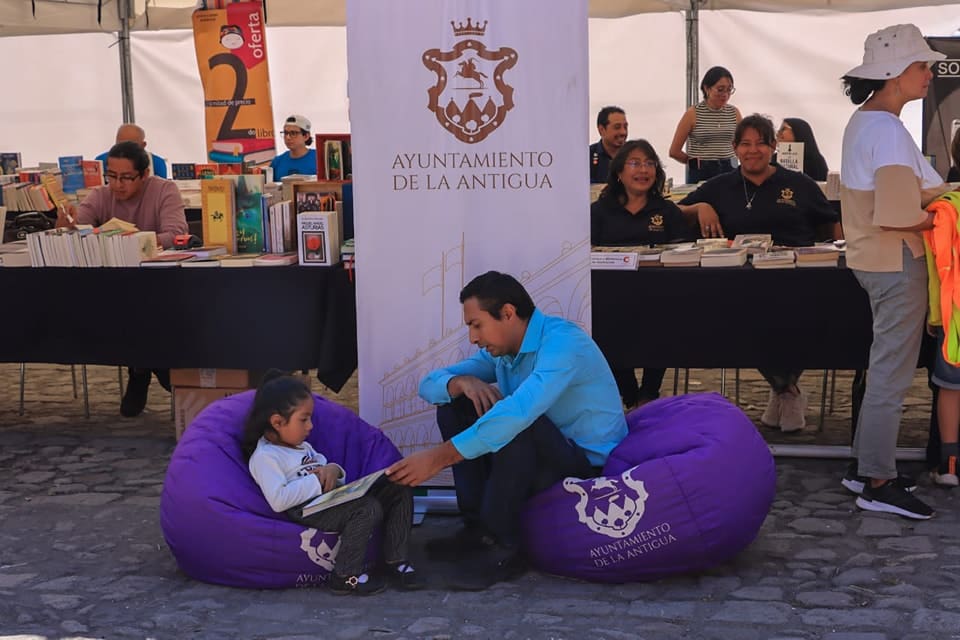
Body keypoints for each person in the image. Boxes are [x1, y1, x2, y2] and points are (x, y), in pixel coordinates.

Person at [386, 271, 628, 590]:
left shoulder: (564, 343)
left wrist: (439, 458)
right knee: (456, 403)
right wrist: (459, 382)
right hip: (540, 454)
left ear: (508, 313)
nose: (473, 338)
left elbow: (520, 413)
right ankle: (476, 529)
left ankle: (503, 546)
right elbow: (429, 384)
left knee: (515, 420)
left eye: (477, 325)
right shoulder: (503, 353)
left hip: (586, 469)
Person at [838, 23, 948, 520]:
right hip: (897, 258)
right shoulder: (884, 128)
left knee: (884, 366)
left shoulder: (868, 122)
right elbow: (899, 211)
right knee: (890, 373)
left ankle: (866, 467)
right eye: (922, 65)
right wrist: (946, 216)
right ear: (894, 73)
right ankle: (877, 480)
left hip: (878, 259)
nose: (930, 73)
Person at [678, 114, 840, 432]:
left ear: (774, 147)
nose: (754, 151)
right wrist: (699, 208)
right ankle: (787, 390)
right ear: (735, 149)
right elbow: (673, 211)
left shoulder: (800, 184)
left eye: (761, 143)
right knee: (746, 317)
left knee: (801, 316)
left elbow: (833, 223)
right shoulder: (719, 186)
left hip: (797, 284)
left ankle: (783, 389)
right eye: (746, 144)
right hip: (740, 288)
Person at [243, 371, 423, 595]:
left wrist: (334, 470)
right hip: (306, 509)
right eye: (304, 419)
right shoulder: (265, 457)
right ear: (277, 422)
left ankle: (396, 559)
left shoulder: (301, 446)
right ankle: (345, 575)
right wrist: (317, 481)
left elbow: (325, 467)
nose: (310, 426)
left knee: (399, 487)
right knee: (367, 509)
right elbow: (279, 500)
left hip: (329, 498)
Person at [56, 140, 188, 417]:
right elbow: (80, 226)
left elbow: (176, 234)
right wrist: (67, 229)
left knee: (147, 310)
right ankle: (150, 366)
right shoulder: (100, 195)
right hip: (114, 285)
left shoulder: (165, 190)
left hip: (159, 283)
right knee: (112, 309)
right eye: (111, 177)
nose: (117, 185)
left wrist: (132, 240)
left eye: (126, 178)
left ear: (144, 175)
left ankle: (141, 368)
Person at [591, 139, 701, 408]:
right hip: (611, 297)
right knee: (606, 326)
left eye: (649, 163)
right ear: (619, 172)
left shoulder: (666, 211)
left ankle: (648, 394)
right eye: (635, 163)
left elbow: (682, 250)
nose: (643, 170)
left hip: (657, 297)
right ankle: (629, 395)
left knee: (664, 322)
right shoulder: (599, 211)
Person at [669, 66, 742, 184]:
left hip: (730, 167)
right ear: (707, 88)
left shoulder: (734, 113)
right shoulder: (693, 114)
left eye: (729, 90)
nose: (725, 94)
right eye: (720, 89)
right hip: (702, 171)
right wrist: (694, 163)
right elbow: (674, 151)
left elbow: (742, 143)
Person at [95, 124, 168, 179]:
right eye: (120, 146)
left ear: (143, 145)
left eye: (131, 147)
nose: (124, 152)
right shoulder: (100, 161)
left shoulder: (157, 163)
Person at [776, 118, 829, 182]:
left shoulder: (816, 161)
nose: (778, 133)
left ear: (798, 131)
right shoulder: (774, 158)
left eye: (783, 129)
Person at [589, 106, 628, 184]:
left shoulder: (634, 155)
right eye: (617, 127)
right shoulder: (587, 157)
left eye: (625, 127)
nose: (623, 132)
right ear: (601, 130)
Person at [271, 114, 317, 179]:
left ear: (306, 136)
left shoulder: (318, 159)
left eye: (293, 133)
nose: (288, 137)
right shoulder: (277, 162)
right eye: (286, 133)